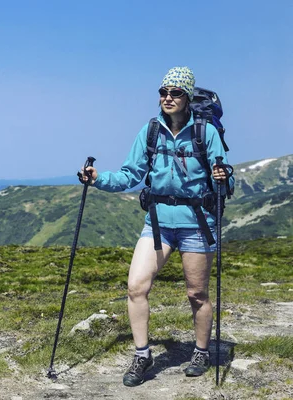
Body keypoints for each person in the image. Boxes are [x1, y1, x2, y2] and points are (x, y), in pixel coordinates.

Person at [79, 66, 234, 387]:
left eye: (176, 93)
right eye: (163, 92)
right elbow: (129, 174)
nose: (168, 97)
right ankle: (142, 354)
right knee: (136, 286)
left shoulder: (206, 132)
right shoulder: (150, 131)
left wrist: (223, 178)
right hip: (158, 223)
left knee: (197, 293)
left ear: (188, 97)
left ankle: (202, 351)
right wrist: (98, 179)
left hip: (197, 224)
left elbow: (225, 178)